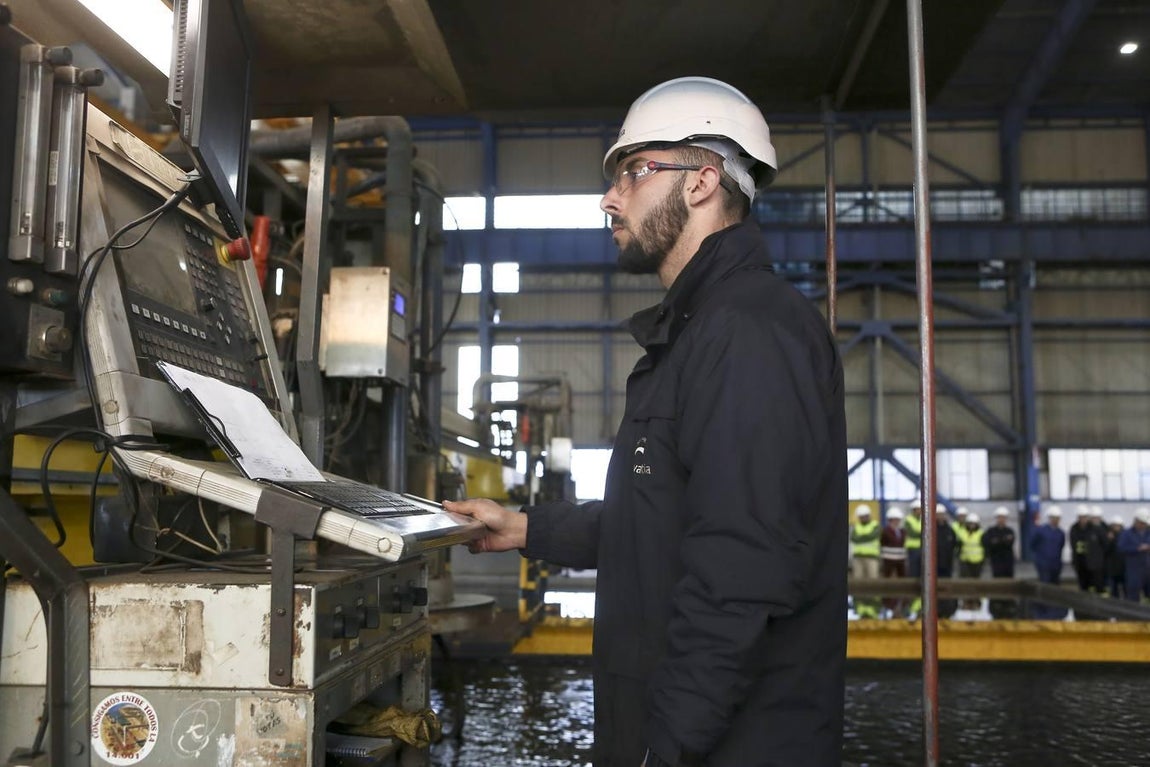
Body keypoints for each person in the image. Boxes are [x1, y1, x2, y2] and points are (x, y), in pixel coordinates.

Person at [444, 76, 848, 767]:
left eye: (634, 171)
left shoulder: (747, 332)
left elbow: (739, 571)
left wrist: (667, 749)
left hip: (726, 746)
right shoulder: (696, 333)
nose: (609, 197)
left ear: (701, 181)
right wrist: (526, 528)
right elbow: (659, 516)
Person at [1028, 505, 1067, 619]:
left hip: (1056, 563)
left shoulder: (1061, 533)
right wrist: (1040, 558)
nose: (1055, 520)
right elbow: (1032, 545)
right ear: (1049, 518)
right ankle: (1044, 609)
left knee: (1055, 585)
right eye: (1053, 517)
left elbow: (1061, 546)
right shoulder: (1041, 531)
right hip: (1043, 563)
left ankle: (1054, 608)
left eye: (1057, 518)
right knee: (1044, 584)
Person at [982, 506, 1018, 619]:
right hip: (996, 561)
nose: (1001, 519)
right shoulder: (991, 531)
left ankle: (1008, 601)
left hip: (1008, 562)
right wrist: (1001, 541)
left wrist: (997, 541)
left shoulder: (1010, 531)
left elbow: (1008, 542)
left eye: (1003, 517)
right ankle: (997, 601)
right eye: (999, 517)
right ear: (996, 518)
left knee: (1008, 581)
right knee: (997, 581)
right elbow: (989, 543)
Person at [1116, 508, 1150, 604]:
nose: (1144, 526)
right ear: (1136, 521)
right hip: (1133, 571)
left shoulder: (1148, 532)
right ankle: (1133, 617)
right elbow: (1121, 548)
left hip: (1148, 570)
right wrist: (1137, 548)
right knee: (1133, 597)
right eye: (1142, 523)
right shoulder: (1126, 534)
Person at [1104, 514, 1126, 599]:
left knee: (1125, 589)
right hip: (1112, 568)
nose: (1116, 528)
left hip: (1123, 568)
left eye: (1118, 526)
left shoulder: (1125, 536)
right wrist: (1109, 540)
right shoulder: (1108, 535)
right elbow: (1105, 550)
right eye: (1114, 526)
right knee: (1113, 591)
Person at [904, 497, 924, 577]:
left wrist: (919, 533)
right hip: (912, 548)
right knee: (913, 568)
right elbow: (911, 533)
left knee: (922, 568)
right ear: (913, 510)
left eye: (920, 509)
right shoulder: (908, 520)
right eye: (917, 509)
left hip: (923, 547)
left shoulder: (924, 519)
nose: (919, 511)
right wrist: (922, 534)